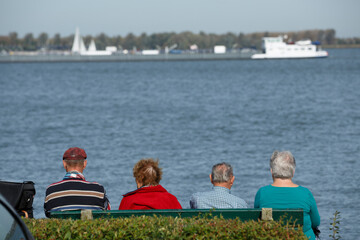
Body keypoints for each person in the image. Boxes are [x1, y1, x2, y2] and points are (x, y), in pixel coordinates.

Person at [254, 151, 320, 240]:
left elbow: (259, 220)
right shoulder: (305, 193)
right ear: (293, 171)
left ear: (272, 171)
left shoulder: (262, 193)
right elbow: (316, 222)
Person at [44, 147, 110, 217]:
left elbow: (48, 214)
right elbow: (107, 213)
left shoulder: (51, 191)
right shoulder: (98, 190)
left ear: (64, 164)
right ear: (85, 164)